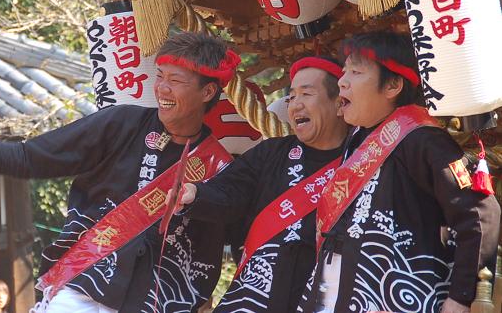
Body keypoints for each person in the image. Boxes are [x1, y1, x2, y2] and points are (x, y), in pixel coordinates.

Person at [0, 32, 241, 313]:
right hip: (84, 287)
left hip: (158, 301)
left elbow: (214, 253)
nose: (163, 88)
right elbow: (31, 158)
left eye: (176, 80)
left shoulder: (218, 167)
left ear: (208, 92)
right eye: (160, 76)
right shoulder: (120, 124)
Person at [297, 31, 500, 313]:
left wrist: (461, 296)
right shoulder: (356, 140)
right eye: (344, 72)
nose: (342, 81)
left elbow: (480, 213)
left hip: (399, 296)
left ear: (392, 85)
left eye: (355, 72)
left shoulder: (424, 141)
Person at [174, 56, 349, 312]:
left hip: (327, 293)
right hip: (260, 292)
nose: (295, 105)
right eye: (291, 97)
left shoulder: (362, 160)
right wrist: (196, 194)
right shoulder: (271, 154)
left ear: (339, 103)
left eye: (306, 94)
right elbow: (231, 191)